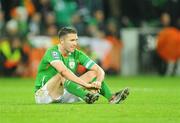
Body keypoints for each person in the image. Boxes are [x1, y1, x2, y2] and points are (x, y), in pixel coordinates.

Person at [34, 27, 129, 104]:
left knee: (93, 73)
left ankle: (111, 98)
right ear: (62, 41)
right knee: (62, 73)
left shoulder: (77, 54)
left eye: (76, 40)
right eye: (71, 40)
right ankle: (85, 95)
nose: (75, 43)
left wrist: (98, 82)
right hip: (45, 95)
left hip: (64, 93)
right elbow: (64, 72)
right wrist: (86, 85)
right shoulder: (52, 52)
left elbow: (99, 70)